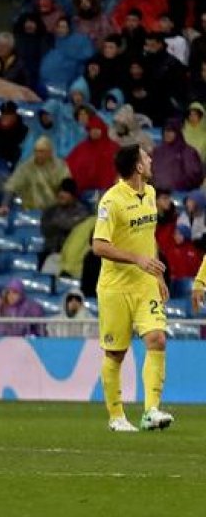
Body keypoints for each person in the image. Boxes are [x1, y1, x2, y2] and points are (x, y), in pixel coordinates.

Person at [92, 145, 173, 432]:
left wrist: (157, 275)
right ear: (138, 167)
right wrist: (137, 259)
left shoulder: (150, 194)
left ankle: (151, 410)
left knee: (157, 339)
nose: (150, 159)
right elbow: (98, 245)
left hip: (145, 285)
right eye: (145, 157)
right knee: (116, 354)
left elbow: (148, 238)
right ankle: (116, 417)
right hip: (115, 288)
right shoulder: (111, 202)